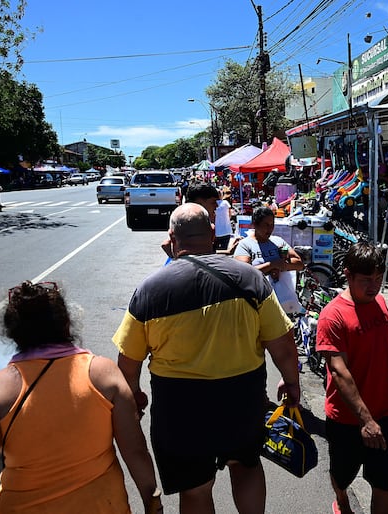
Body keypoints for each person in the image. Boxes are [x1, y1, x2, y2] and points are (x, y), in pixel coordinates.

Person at [113, 203, 300, 513]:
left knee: (196, 488)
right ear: (213, 233)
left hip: (180, 405)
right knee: (246, 465)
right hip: (242, 395)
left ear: (172, 237)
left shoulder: (150, 290)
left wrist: (134, 395)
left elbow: (128, 361)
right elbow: (282, 342)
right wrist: (291, 382)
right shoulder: (249, 278)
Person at [0, 281, 160, 514]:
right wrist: (153, 505)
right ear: (66, 324)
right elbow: (135, 451)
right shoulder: (102, 375)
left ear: (13, 333)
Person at [315, 242, 388, 514]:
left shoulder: (381, 302)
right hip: (348, 419)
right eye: (366, 280)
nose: (374, 286)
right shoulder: (333, 316)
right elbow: (339, 371)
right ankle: (341, 501)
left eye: (378, 279)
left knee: (383, 484)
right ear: (348, 275)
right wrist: (366, 420)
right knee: (342, 475)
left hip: (386, 413)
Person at [234, 206, 305, 280]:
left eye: (272, 225)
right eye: (266, 225)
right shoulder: (245, 245)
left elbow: (299, 264)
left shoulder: (278, 241)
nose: (270, 229)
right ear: (255, 225)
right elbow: (244, 273)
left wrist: (282, 266)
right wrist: (271, 265)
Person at [161, 181, 220, 259]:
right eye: (213, 202)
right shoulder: (189, 219)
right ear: (199, 202)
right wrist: (179, 261)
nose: (217, 205)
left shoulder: (206, 218)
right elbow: (166, 244)